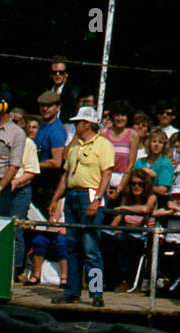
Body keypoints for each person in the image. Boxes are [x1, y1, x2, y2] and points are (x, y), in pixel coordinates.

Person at [49, 106, 115, 307]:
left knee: (90, 247)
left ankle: (96, 292)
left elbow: (107, 174)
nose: (76, 125)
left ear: (87, 124)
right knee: (72, 246)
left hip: (89, 194)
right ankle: (72, 290)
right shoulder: (75, 147)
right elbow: (66, 175)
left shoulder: (103, 145)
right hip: (73, 194)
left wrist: (97, 200)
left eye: (78, 122)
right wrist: (55, 198)